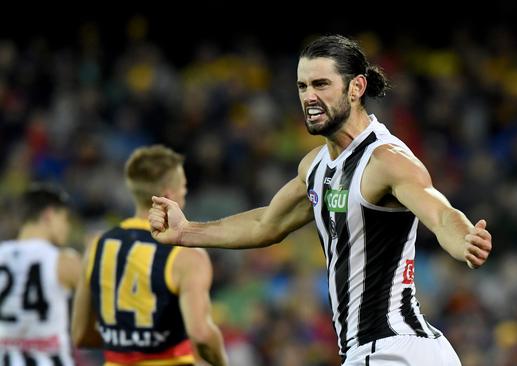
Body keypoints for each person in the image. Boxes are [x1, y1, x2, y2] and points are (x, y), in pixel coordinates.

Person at [149, 35, 493, 365]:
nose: (309, 96)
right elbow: (266, 223)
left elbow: (440, 214)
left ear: (356, 87)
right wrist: (186, 232)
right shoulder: (315, 166)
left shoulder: (385, 160)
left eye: (321, 84)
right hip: (391, 350)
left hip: (392, 350)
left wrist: (465, 240)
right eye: (302, 86)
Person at [71, 145, 228, 366]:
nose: (186, 191)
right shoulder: (187, 255)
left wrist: (129, 343)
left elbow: (80, 335)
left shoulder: (97, 246)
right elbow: (201, 334)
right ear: (168, 195)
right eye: (183, 185)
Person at [0, 184, 81, 365]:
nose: (67, 227)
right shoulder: (64, 261)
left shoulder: (1, 255)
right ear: (49, 215)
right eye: (65, 218)